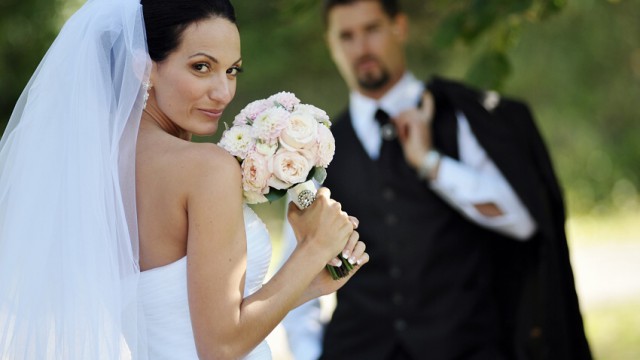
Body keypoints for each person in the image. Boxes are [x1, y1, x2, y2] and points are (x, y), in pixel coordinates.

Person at [0, 0, 368, 359]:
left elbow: (176, 313)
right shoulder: (206, 169)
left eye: (232, 70)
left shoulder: (97, 169)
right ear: (145, 68)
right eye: (201, 67)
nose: (223, 92)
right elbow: (221, 347)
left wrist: (310, 284)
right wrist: (314, 248)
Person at [280, 0, 591, 359]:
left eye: (372, 30)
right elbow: (295, 277)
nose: (361, 48)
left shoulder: (459, 120)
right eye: (346, 36)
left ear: (400, 27)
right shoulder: (316, 149)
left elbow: (521, 222)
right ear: (331, 45)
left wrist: (431, 163)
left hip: (467, 348)